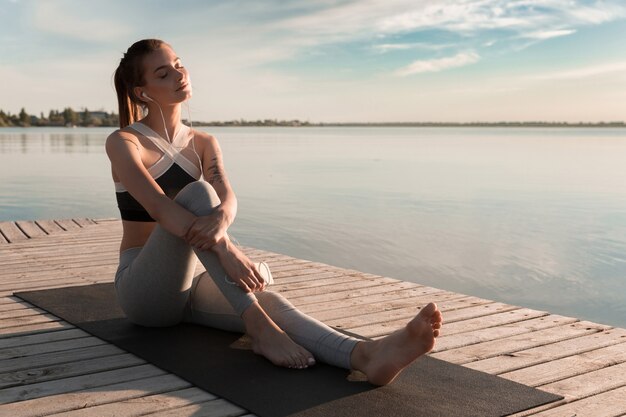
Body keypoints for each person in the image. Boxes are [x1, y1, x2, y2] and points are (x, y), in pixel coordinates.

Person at [106, 38, 443, 386]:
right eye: (163, 73)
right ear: (143, 92)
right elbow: (162, 209)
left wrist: (223, 229)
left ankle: (364, 355)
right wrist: (227, 249)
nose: (179, 74)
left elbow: (228, 199)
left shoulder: (203, 142)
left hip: (193, 285)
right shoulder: (125, 142)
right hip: (145, 291)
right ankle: (259, 330)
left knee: (270, 302)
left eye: (179, 64)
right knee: (196, 193)